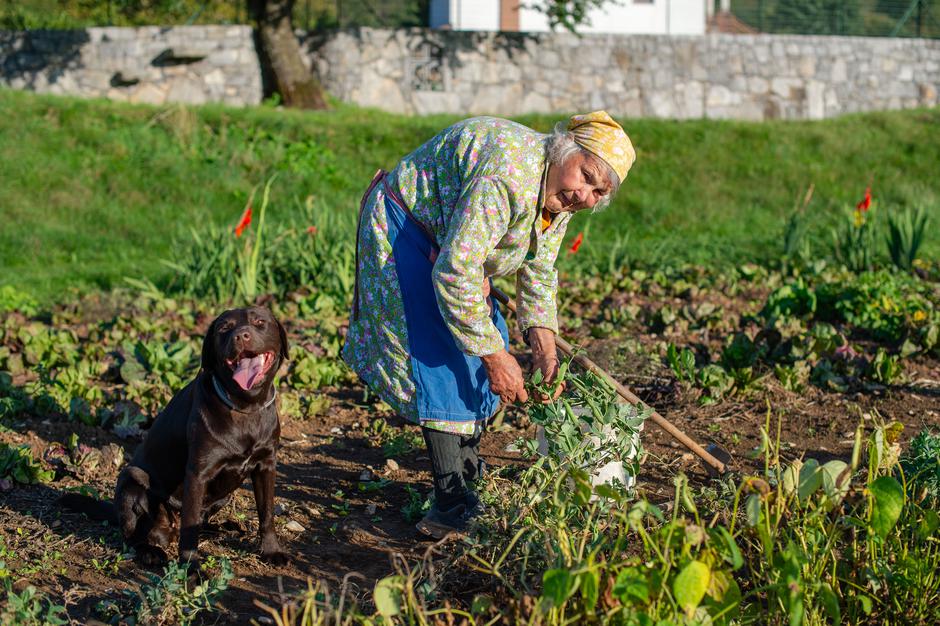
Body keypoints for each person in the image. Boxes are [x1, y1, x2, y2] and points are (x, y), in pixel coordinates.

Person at [343, 111, 635, 538]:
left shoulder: (558, 192)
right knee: (447, 358)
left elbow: (537, 272)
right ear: (564, 150)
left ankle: (466, 467)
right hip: (407, 228)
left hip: (450, 244)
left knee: (483, 341)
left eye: (599, 192)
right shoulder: (509, 175)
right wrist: (497, 357)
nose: (584, 195)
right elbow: (455, 274)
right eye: (586, 176)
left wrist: (545, 353)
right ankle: (451, 507)